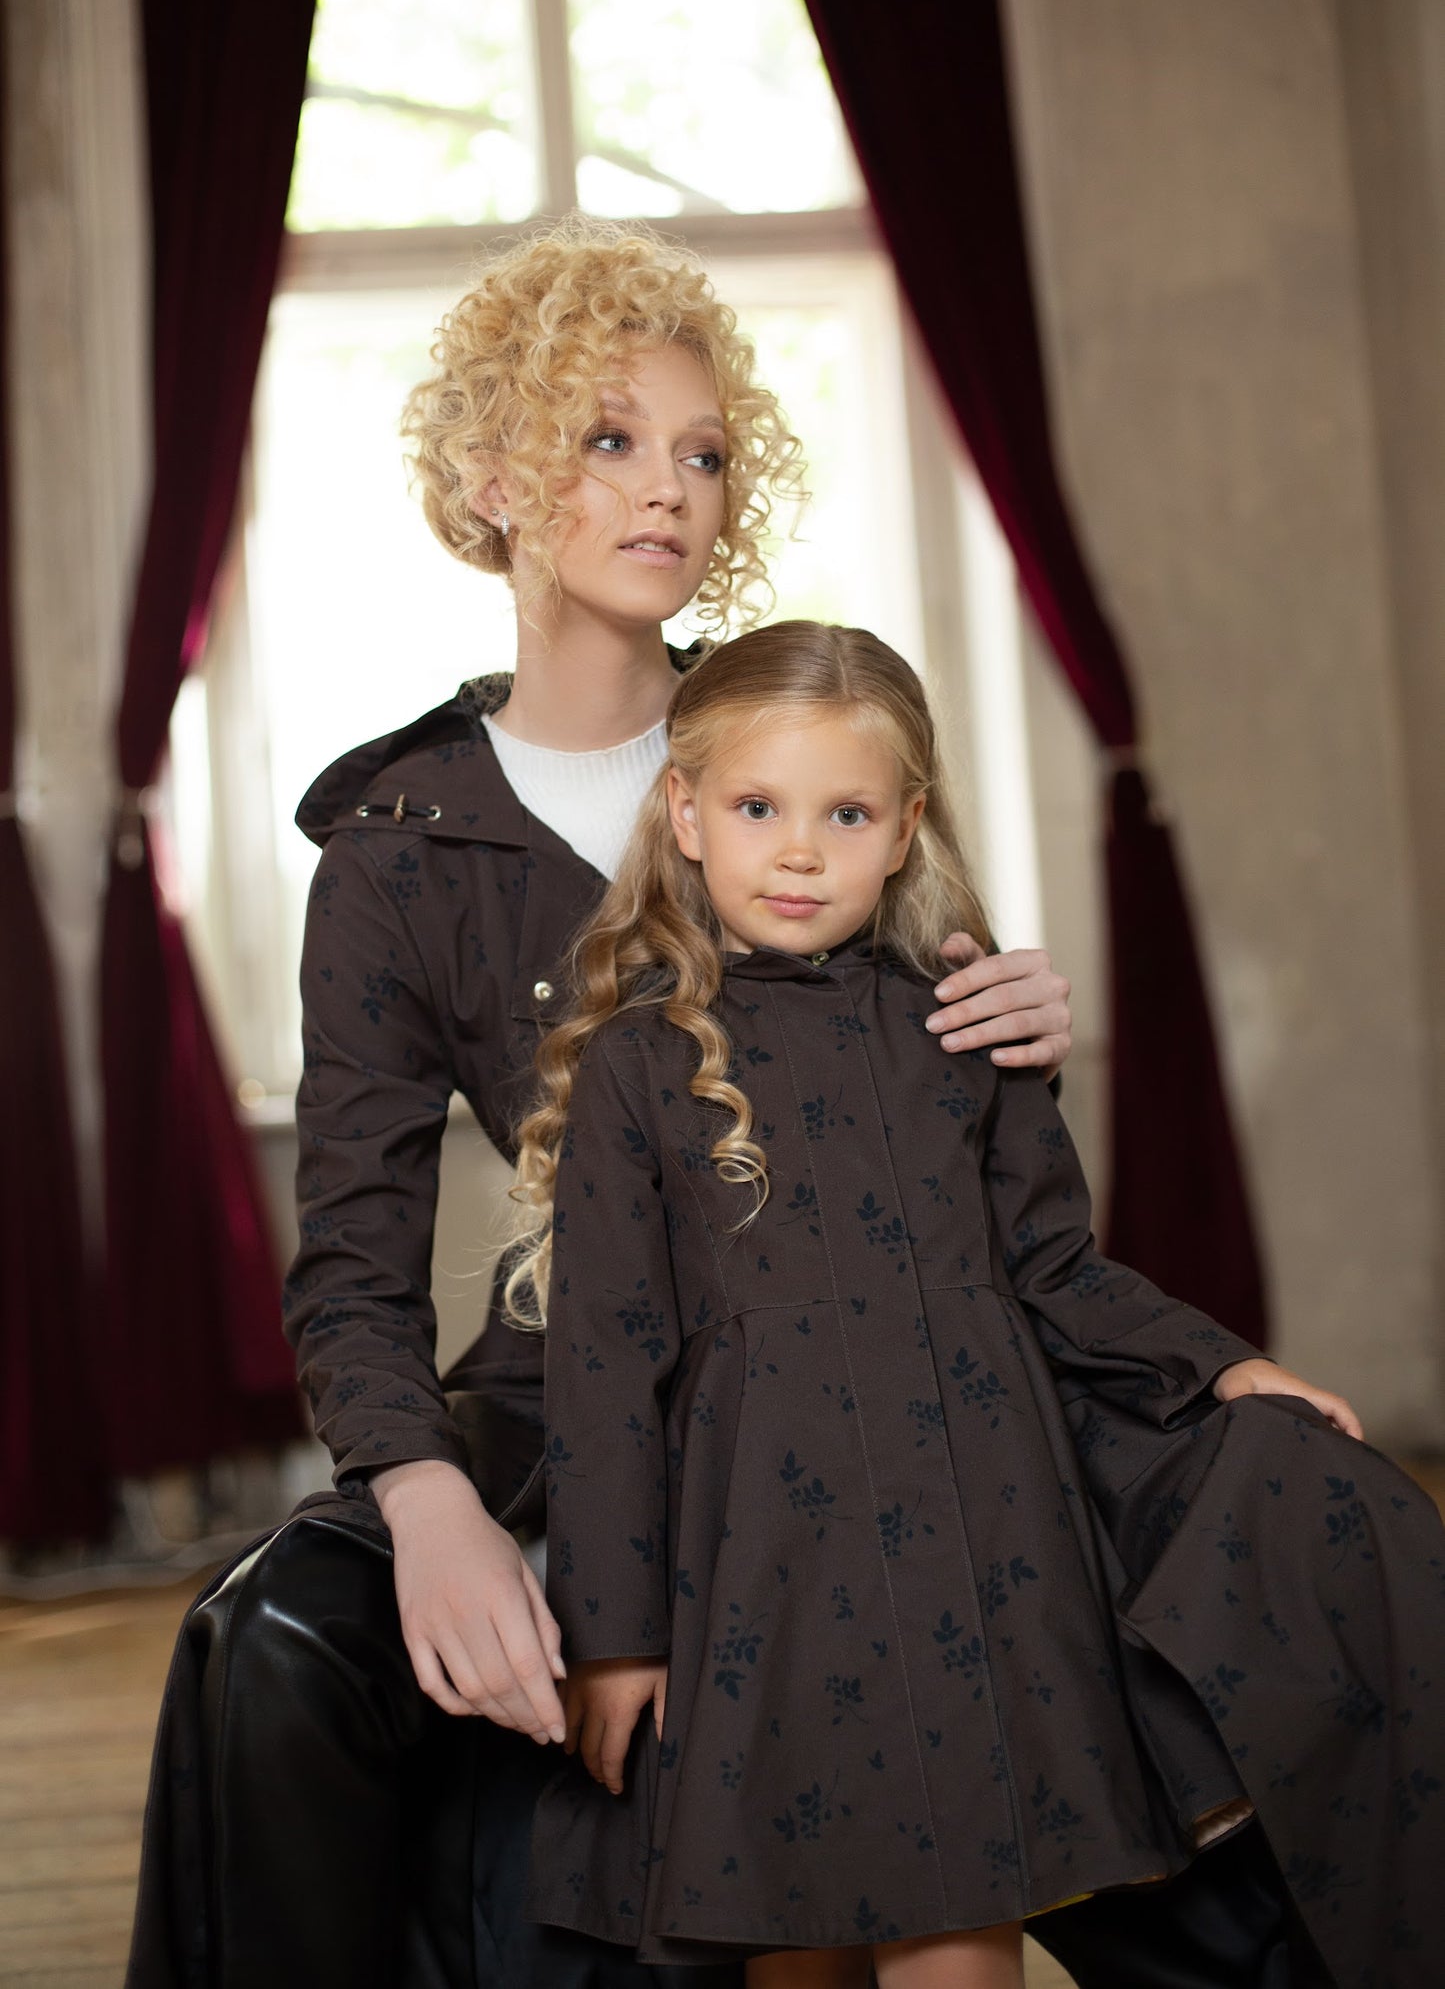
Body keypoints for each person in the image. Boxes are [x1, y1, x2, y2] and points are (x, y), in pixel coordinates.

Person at [124, 220, 1077, 1989]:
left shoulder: (799, 733)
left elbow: (937, 1078)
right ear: (494, 481)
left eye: (701, 454)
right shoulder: (396, 850)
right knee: (270, 1636)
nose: (666, 490)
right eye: (608, 440)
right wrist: (423, 1497)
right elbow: (352, 1265)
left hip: (863, 1356)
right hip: (562, 1390)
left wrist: (1007, 1016)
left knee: (1249, 1536)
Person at [505, 621, 1443, 1986]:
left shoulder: (964, 1028)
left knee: (957, 1926)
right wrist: (614, 1638)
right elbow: (601, 1372)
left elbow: (1058, 1269)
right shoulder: (635, 1069)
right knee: (790, 1933)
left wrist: (1221, 1368)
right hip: (764, 1571)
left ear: (903, 832)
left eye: (845, 814)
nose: (800, 851)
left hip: (979, 1552)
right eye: (759, 808)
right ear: (686, 815)